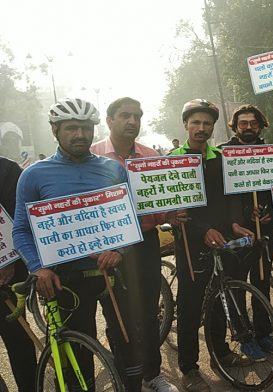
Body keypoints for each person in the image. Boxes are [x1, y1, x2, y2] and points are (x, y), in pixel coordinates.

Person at [12, 98, 128, 389]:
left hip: (113, 276)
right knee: (79, 359)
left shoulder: (112, 169)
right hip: (67, 282)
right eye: (71, 128)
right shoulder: (34, 174)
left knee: (130, 346)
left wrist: (119, 249)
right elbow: (21, 230)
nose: (80, 135)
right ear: (55, 130)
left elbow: (130, 219)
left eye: (86, 128)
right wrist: (38, 268)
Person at [90, 97, 178, 391]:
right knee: (118, 318)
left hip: (145, 243)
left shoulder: (151, 155)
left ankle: (152, 374)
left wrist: (172, 214)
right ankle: (126, 377)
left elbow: (161, 203)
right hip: (109, 250)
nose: (132, 121)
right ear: (109, 120)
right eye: (124, 115)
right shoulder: (92, 156)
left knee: (150, 313)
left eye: (137, 116)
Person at [170, 99, 256, 392]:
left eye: (207, 124)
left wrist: (234, 223)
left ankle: (221, 354)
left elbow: (231, 196)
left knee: (223, 297)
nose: (201, 128)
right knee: (190, 305)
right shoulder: (173, 160)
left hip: (222, 238)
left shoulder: (220, 157)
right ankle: (189, 367)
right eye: (196, 122)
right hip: (191, 243)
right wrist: (202, 229)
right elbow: (178, 209)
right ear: (185, 125)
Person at [217, 104, 273, 354]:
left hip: (265, 229)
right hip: (236, 232)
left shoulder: (270, 152)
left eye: (253, 123)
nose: (249, 127)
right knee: (238, 284)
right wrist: (243, 215)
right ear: (235, 126)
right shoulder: (223, 154)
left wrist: (270, 211)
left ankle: (263, 332)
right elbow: (222, 195)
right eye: (243, 123)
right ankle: (244, 337)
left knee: (262, 281)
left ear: (261, 125)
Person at [0, 156, 36, 392]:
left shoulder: (7, 171)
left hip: (8, 277)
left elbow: (22, 219)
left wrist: (8, 260)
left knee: (19, 341)